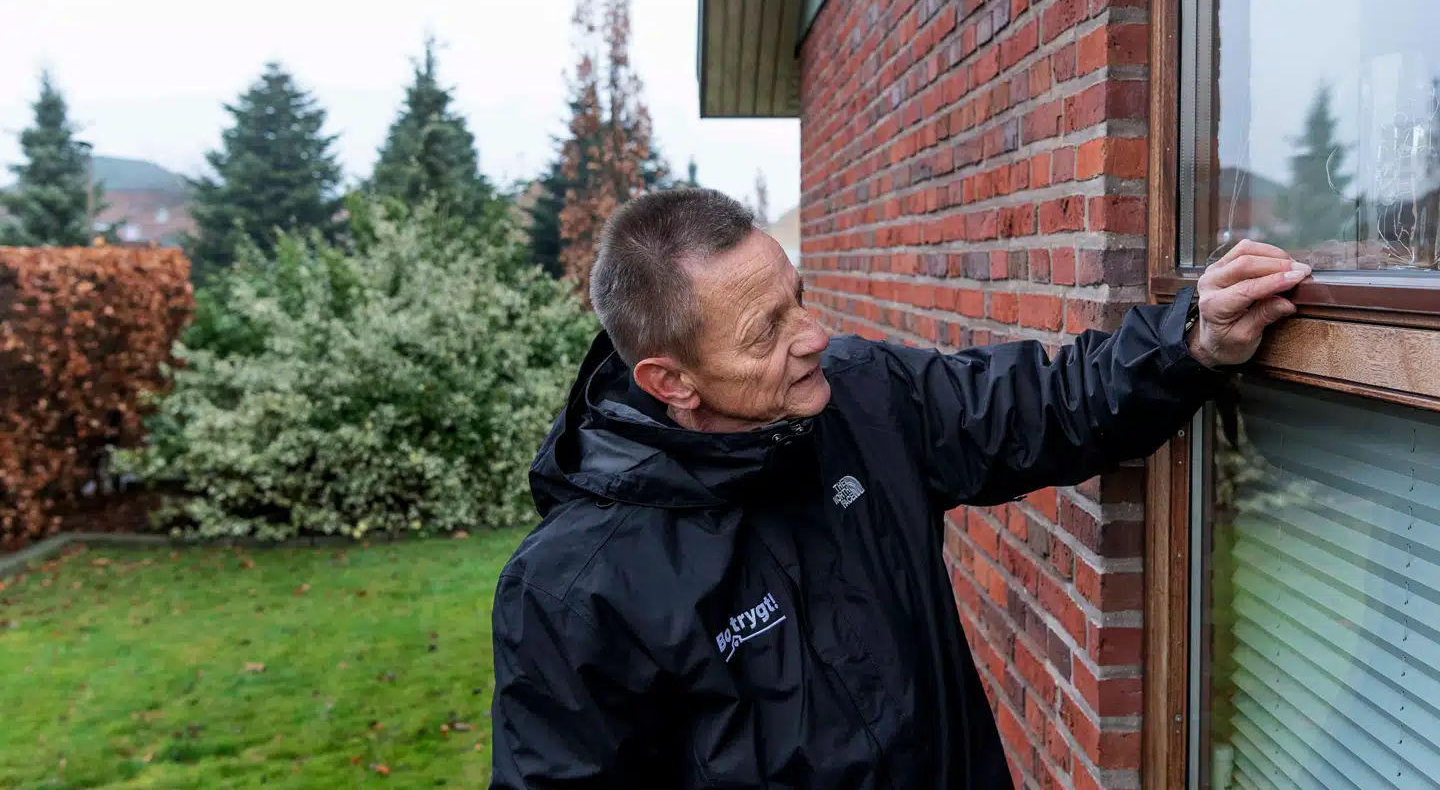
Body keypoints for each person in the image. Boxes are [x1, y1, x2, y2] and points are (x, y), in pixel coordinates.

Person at [488, 188, 1309, 789]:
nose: (814, 336)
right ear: (671, 380)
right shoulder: (572, 590)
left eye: (797, 299)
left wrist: (1192, 338)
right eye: (765, 331)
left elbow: (1047, 407)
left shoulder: (863, 398)